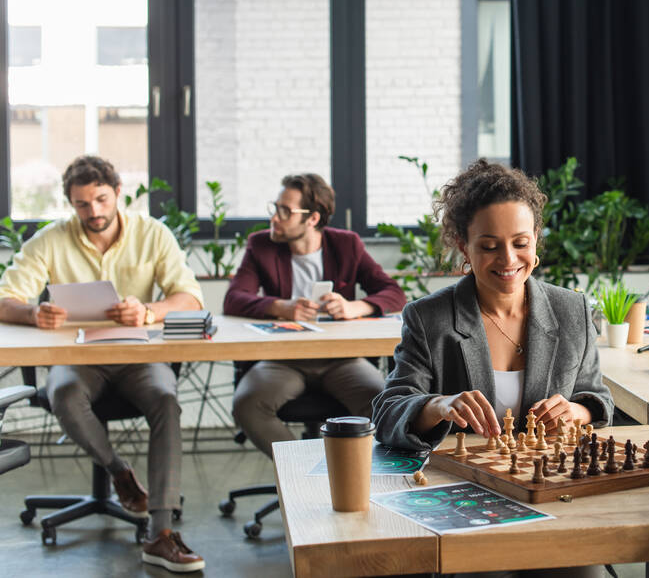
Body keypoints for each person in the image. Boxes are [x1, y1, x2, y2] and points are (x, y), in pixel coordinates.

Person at [373, 161, 612, 578]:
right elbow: (388, 411)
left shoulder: (572, 310)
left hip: (553, 494)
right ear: (463, 247)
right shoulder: (428, 318)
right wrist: (440, 405)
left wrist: (578, 412)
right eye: (488, 246)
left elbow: (597, 395)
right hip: (465, 498)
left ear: (536, 240)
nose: (508, 259)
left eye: (520, 242)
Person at [0, 155, 206, 573]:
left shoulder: (153, 234)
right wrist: (32, 313)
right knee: (63, 393)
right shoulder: (49, 240)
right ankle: (119, 472)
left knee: (166, 400)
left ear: (117, 195)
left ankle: (161, 534)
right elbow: (6, 297)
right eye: (81, 204)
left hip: (136, 354)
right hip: (77, 357)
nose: (93, 211)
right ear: (70, 204)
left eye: (100, 199)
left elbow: (190, 297)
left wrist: (148, 311)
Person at [224, 172, 405, 458]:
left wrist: (354, 307)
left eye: (285, 211)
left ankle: (353, 473)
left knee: (384, 403)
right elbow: (234, 299)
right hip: (283, 359)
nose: (274, 217)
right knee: (247, 404)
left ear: (313, 219)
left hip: (341, 358)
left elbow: (393, 292)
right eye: (276, 207)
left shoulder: (346, 245)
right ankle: (307, 471)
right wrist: (280, 307)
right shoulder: (261, 245)